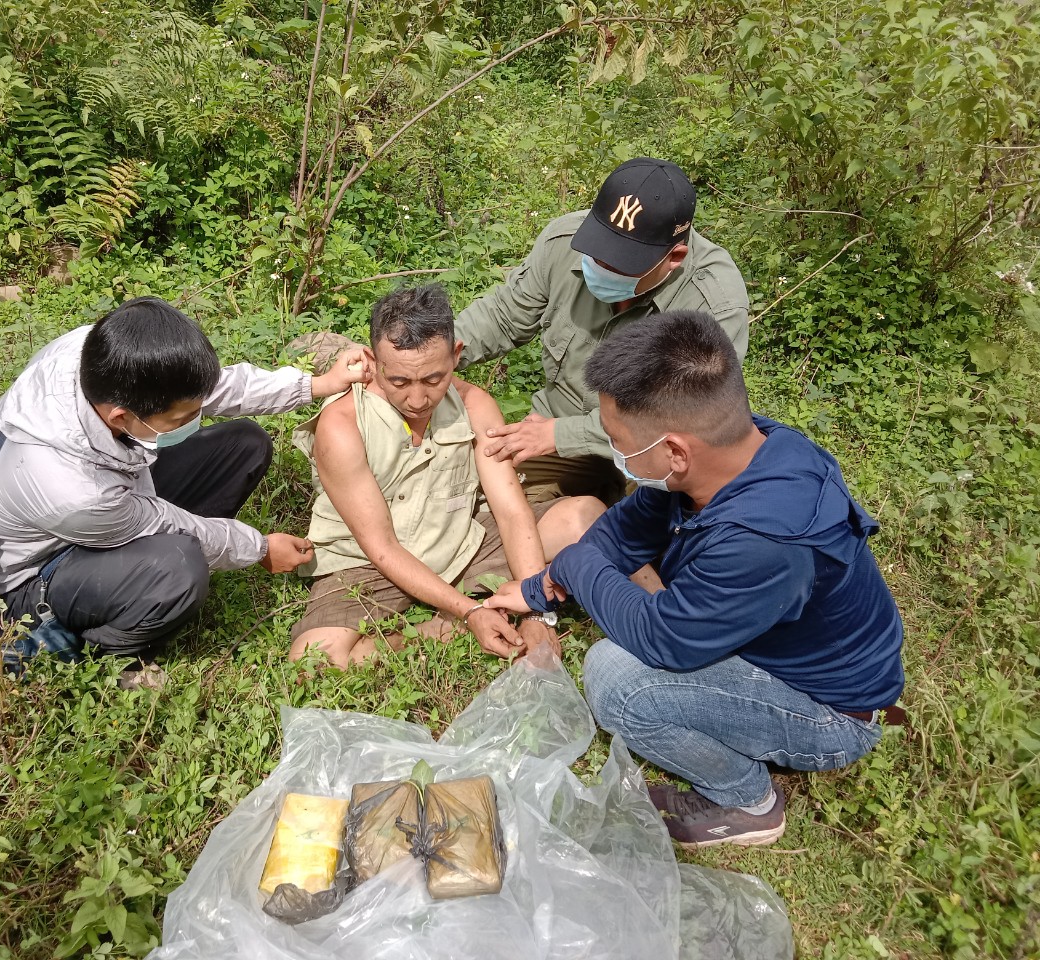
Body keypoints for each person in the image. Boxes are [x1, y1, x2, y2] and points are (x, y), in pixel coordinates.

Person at [488, 310, 905, 847]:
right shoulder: (743, 451)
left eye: (620, 444)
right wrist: (537, 587)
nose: (616, 454)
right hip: (770, 644)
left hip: (830, 711)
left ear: (675, 452)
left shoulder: (769, 542)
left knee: (617, 681)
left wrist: (573, 564)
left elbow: (666, 640)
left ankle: (748, 801)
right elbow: (625, 527)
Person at [0, 296, 369, 688]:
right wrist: (259, 549)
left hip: (99, 502)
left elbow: (211, 391)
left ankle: (131, 584)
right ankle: (106, 656)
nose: (194, 420)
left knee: (245, 443)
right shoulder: (76, 491)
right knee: (178, 568)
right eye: (181, 419)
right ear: (122, 416)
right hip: (23, 581)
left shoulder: (93, 353)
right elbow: (164, 521)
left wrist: (318, 384)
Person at [289, 284, 605, 668]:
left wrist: (537, 611)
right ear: (373, 361)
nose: (418, 399)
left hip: (462, 545)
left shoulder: (475, 404)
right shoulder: (342, 425)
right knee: (315, 663)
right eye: (400, 382)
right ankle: (450, 625)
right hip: (368, 564)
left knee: (584, 517)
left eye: (434, 380)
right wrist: (468, 614)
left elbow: (509, 510)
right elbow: (382, 547)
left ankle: (502, 607)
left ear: (455, 356)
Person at [455, 157, 749, 504]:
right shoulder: (564, 242)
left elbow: (680, 417)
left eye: (621, 263)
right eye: (598, 249)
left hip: (650, 451)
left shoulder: (712, 302)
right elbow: (504, 315)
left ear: (675, 257)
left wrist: (563, 435)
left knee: (667, 531)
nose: (601, 266)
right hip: (555, 431)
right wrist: (434, 352)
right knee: (494, 505)